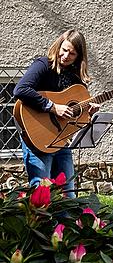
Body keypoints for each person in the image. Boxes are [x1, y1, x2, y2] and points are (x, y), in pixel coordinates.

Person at [13, 29, 98, 197]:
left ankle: (65, 224)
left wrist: (88, 111)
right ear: (58, 46)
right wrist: (52, 106)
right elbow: (20, 89)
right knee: (41, 192)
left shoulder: (76, 78)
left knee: (69, 194)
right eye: (64, 50)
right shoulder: (44, 65)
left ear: (79, 57)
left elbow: (73, 114)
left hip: (60, 139)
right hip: (38, 136)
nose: (66, 55)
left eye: (72, 54)